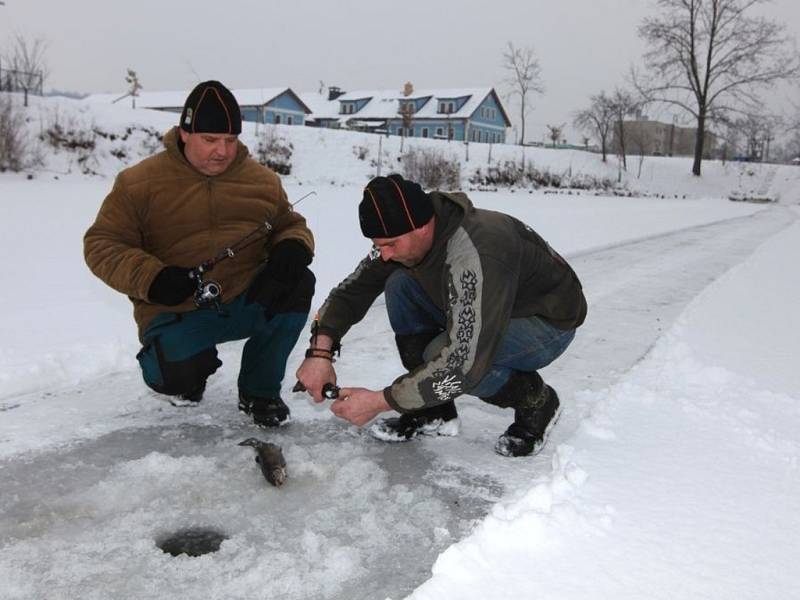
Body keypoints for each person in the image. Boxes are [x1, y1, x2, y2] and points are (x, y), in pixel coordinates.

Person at [296, 174, 586, 456]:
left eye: (390, 245)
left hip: (547, 323)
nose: (382, 254)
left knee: (446, 355)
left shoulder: (474, 255)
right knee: (399, 284)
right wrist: (320, 353)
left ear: (421, 228)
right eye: (377, 245)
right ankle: (434, 412)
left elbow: (463, 365)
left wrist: (382, 401)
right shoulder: (405, 234)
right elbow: (351, 290)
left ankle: (538, 402)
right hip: (489, 304)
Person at [84, 80, 315, 427]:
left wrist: (293, 245)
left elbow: (290, 223)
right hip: (176, 307)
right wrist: (152, 277)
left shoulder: (263, 181)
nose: (222, 151)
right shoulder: (138, 183)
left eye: (231, 140)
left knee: (298, 283)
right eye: (210, 139)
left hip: (243, 298)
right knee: (174, 376)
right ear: (184, 133)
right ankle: (189, 376)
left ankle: (259, 391)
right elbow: (102, 243)